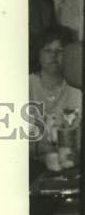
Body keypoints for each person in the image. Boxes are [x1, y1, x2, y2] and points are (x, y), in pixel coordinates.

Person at [29, 26, 82, 175]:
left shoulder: (77, 86)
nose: (54, 56)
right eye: (48, 50)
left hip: (72, 165)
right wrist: (45, 153)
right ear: (38, 54)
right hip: (33, 165)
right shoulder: (26, 85)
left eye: (60, 50)